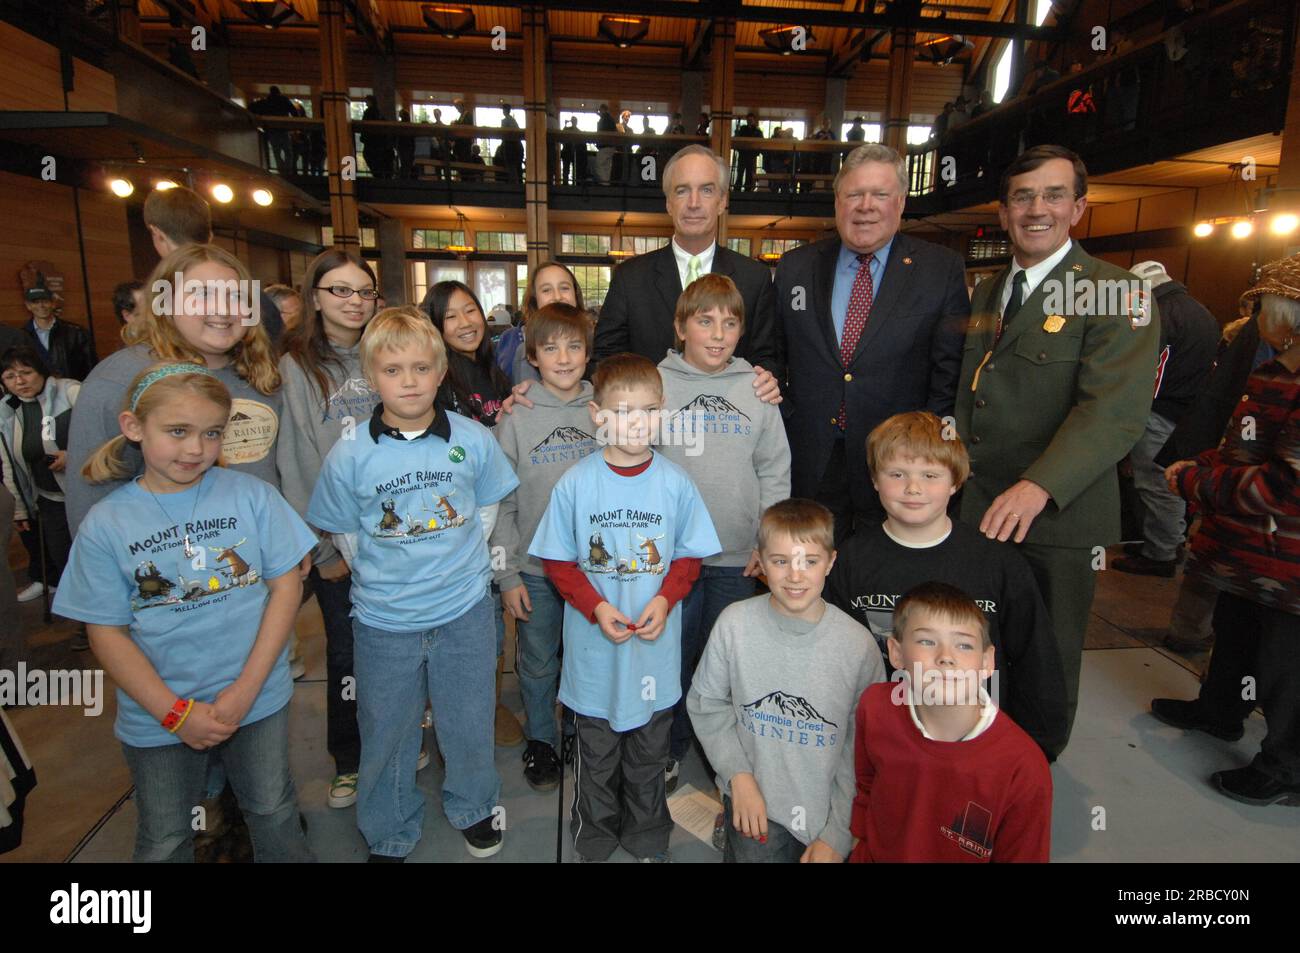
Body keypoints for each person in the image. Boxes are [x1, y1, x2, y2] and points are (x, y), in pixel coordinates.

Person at [53, 364, 316, 863]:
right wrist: (174, 712)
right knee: (166, 835)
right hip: (159, 716)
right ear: (134, 428)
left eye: (211, 433)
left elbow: (285, 588)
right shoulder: (107, 524)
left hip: (256, 699)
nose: (196, 449)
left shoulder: (253, 496)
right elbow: (105, 631)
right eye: (178, 431)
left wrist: (245, 690)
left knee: (272, 808)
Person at [953, 145, 1159, 745]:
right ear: (1003, 210)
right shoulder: (990, 291)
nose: (1035, 209)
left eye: (1052, 195)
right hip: (979, 509)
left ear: (1079, 207)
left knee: (1046, 655)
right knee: (979, 645)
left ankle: (1034, 773)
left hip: (1056, 519)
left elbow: (1114, 413)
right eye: (1021, 196)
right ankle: (980, 761)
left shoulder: (1118, 293)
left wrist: (1039, 485)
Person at [307, 307, 520, 860]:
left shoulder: (472, 438)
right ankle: (389, 825)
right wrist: (386, 574)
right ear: (372, 375)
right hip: (384, 621)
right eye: (394, 369)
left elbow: (488, 503)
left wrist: (458, 561)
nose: (409, 381)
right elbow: (346, 532)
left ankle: (474, 804)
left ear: (442, 370)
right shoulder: (350, 452)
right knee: (388, 729)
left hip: (465, 610)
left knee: (468, 718)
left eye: (422, 368)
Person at [529, 353, 720, 862]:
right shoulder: (576, 482)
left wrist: (663, 597)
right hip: (594, 658)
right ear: (597, 415)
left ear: (663, 412)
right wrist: (594, 607)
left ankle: (645, 831)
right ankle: (594, 829)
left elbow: (687, 557)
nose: (637, 422)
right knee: (596, 752)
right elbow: (559, 563)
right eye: (623, 410)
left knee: (647, 753)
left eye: (649, 410)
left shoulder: (676, 482)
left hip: (652, 657)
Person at [824, 411, 1068, 760]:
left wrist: (1039, 747)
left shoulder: (997, 564)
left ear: (955, 481)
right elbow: (835, 661)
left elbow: (1036, 659)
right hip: (885, 743)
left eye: (930, 475)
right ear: (875, 480)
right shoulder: (849, 561)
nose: (913, 488)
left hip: (979, 744)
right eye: (896, 474)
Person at [1152, 261, 1300, 807]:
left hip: (1288, 560)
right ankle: (1219, 710)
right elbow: (1251, 449)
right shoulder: (1278, 369)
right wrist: (1206, 463)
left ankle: (1287, 768)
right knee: (1236, 630)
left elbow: (1285, 485)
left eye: (1264, 307)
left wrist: (1198, 480)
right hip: (1251, 553)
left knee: (1286, 664)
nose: (1257, 316)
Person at [775, 142, 969, 543]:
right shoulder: (796, 266)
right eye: (854, 194)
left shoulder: (940, 269)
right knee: (811, 568)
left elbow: (948, 369)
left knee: (884, 576)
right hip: (809, 453)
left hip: (898, 462)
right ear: (837, 202)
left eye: (879, 195)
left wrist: (927, 453)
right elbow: (773, 353)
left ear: (899, 203)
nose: (866, 206)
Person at [688, 499, 884, 863]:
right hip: (755, 805)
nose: (795, 576)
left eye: (810, 562)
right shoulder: (734, 624)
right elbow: (706, 703)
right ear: (760, 561)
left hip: (827, 814)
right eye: (780, 561)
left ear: (831, 561)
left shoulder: (859, 647)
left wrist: (839, 832)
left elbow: (863, 748)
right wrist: (738, 778)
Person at [657, 274, 791, 790]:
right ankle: (669, 746)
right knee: (673, 657)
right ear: (680, 327)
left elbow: (774, 470)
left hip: (738, 556)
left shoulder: (755, 388)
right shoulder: (657, 384)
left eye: (730, 323)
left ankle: (722, 756)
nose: (717, 334)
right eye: (705, 321)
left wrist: (767, 543)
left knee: (723, 663)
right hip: (671, 558)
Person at [65, 244, 283, 537]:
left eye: (236, 296)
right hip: (167, 563)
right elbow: (91, 493)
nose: (222, 309)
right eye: (202, 294)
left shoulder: (260, 372)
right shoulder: (120, 379)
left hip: (260, 549)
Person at [276, 250, 381, 810]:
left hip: (394, 533)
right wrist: (320, 549)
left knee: (393, 647)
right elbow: (295, 461)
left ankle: (395, 737)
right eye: (340, 290)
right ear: (314, 296)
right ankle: (350, 757)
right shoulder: (295, 365)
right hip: (336, 542)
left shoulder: (382, 348)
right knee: (345, 654)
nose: (354, 301)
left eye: (363, 290)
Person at [849, 582, 1052, 862]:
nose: (946, 657)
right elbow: (867, 785)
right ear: (896, 653)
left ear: (986, 661)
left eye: (964, 644)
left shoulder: (1023, 766)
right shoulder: (875, 707)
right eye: (926, 641)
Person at [490, 303, 599, 791]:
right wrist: (507, 575)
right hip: (535, 567)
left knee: (584, 655)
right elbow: (500, 503)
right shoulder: (517, 416)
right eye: (550, 347)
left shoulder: (604, 409)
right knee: (537, 660)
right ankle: (540, 739)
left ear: (588, 352)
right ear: (531, 355)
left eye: (574, 346)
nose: (563, 357)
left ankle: (577, 728)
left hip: (593, 569)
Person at [419, 281, 522, 745]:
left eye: (471, 310)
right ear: (436, 327)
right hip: (460, 520)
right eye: (452, 316)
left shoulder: (491, 370)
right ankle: (445, 710)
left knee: (490, 622)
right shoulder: (438, 380)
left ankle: (487, 701)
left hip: (494, 510)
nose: (467, 323)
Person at [593, 145, 782, 396]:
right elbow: (605, 359)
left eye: (706, 190)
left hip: (728, 424)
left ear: (722, 201)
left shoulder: (754, 279)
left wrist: (767, 379)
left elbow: (767, 357)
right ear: (669, 203)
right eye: (682, 191)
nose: (694, 203)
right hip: (650, 425)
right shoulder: (630, 278)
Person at [1113, 260, 1219, 577]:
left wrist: (1129, 410)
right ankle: (1164, 544)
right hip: (1189, 411)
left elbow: (1149, 373)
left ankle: (1160, 554)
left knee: (1156, 482)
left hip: (1159, 409)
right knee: (1170, 479)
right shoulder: (1201, 311)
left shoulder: (1159, 313)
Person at [141, 186, 284, 342]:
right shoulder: (258, 299)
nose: (223, 311)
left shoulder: (156, 298)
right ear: (210, 236)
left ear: (157, 234)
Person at [0, 345, 78, 613]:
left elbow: (104, 436)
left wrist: (73, 455)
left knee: (95, 555)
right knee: (64, 557)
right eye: (10, 376)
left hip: (85, 493)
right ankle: (84, 619)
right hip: (48, 499)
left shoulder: (70, 392)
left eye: (26, 372)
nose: (19, 382)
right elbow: (10, 464)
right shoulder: (7, 412)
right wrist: (19, 508)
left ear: (41, 370)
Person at [504, 261, 585, 386]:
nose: (557, 297)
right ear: (534, 299)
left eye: (564, 288)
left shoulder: (594, 337)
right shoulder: (523, 348)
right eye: (546, 290)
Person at [21, 285, 96, 382]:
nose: (41, 306)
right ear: (28, 306)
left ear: (53, 303)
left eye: (45, 301)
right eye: (35, 302)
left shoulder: (77, 332)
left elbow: (92, 366)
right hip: (39, 393)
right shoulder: (21, 336)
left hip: (73, 390)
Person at [249, 85, 297, 172]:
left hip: (271, 130)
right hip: (283, 129)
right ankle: (287, 169)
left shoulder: (266, 102)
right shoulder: (283, 100)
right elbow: (294, 111)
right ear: (278, 92)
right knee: (288, 151)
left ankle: (281, 169)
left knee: (277, 152)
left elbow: (252, 107)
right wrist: (295, 122)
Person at [360, 94, 394, 179]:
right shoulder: (378, 114)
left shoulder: (369, 113)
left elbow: (365, 128)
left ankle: (379, 178)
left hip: (372, 144)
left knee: (375, 163)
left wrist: (364, 138)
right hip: (379, 144)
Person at [733, 113, 762, 192]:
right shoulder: (743, 128)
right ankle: (737, 188)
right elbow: (738, 138)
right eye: (748, 120)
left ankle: (748, 189)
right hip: (743, 153)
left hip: (751, 155)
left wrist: (756, 152)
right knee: (740, 172)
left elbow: (760, 142)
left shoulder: (757, 131)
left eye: (751, 120)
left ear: (754, 121)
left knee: (749, 173)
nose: (749, 121)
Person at [397, 108, 417, 180]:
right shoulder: (410, 125)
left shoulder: (400, 126)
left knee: (404, 163)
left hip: (403, 146)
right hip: (409, 146)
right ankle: (407, 177)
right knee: (407, 163)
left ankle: (404, 178)